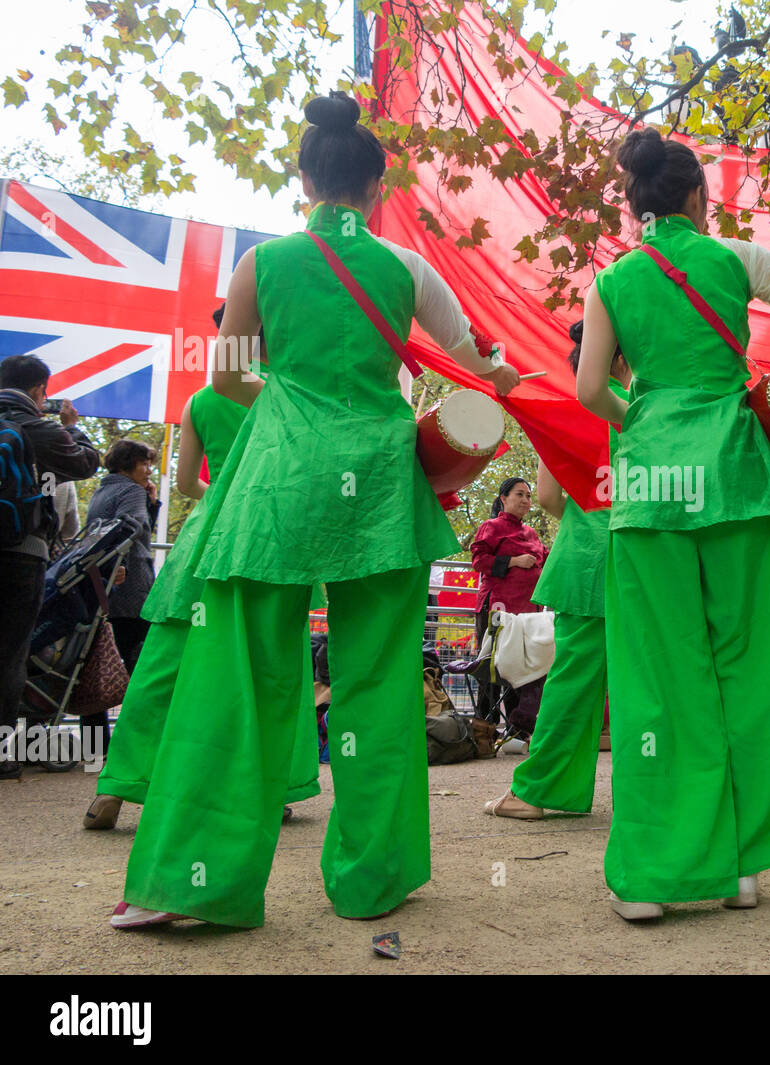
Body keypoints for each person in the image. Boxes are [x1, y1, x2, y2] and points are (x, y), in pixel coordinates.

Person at [111, 91, 519, 930]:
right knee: (376, 685)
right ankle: (375, 876)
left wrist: (295, 394)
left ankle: (197, 885)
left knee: (241, 680)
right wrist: (513, 374)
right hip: (380, 489)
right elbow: (486, 366)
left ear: (303, 179)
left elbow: (226, 379)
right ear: (377, 188)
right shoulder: (407, 269)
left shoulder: (259, 266)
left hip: (276, 486)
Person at [576, 128, 770, 919]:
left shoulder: (612, 283)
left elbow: (591, 389)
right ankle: (742, 863)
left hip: (651, 485)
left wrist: (648, 419)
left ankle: (654, 873)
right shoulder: (736, 258)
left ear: (635, 207)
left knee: (660, 678)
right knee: (752, 666)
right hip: (736, 475)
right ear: (699, 198)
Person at [84, 307, 322, 831]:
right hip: (273, 536)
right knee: (264, 665)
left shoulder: (200, 399)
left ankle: (116, 790)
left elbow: (189, 482)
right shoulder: (293, 394)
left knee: (166, 660)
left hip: (209, 534)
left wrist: (226, 498)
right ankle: (263, 785)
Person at [485, 323, 630, 819]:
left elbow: (547, 498)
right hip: (645, 558)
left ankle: (540, 792)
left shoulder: (567, 413)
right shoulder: (647, 410)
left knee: (572, 682)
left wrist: (592, 517)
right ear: (625, 360)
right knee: (653, 679)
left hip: (586, 562)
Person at [0, 355, 100, 781]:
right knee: (9, 653)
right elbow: (87, 462)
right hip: (21, 553)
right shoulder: (38, 428)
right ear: (41, 389)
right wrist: (71, 424)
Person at [469, 477, 548, 719]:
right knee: (491, 668)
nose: (525, 500)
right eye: (519, 494)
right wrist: (514, 561)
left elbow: (546, 562)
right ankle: (485, 727)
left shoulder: (532, 533)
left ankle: (518, 728)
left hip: (528, 614)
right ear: (503, 498)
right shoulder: (491, 526)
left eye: (528, 495)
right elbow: (478, 561)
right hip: (498, 608)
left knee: (524, 668)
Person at [85, 439, 160, 673]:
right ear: (127, 464)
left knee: (97, 664)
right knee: (141, 662)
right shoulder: (132, 490)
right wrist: (122, 565)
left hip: (103, 588)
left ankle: (95, 711)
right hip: (132, 589)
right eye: (144, 464)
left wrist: (152, 503)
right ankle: (137, 710)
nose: (149, 470)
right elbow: (131, 529)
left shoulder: (102, 492)